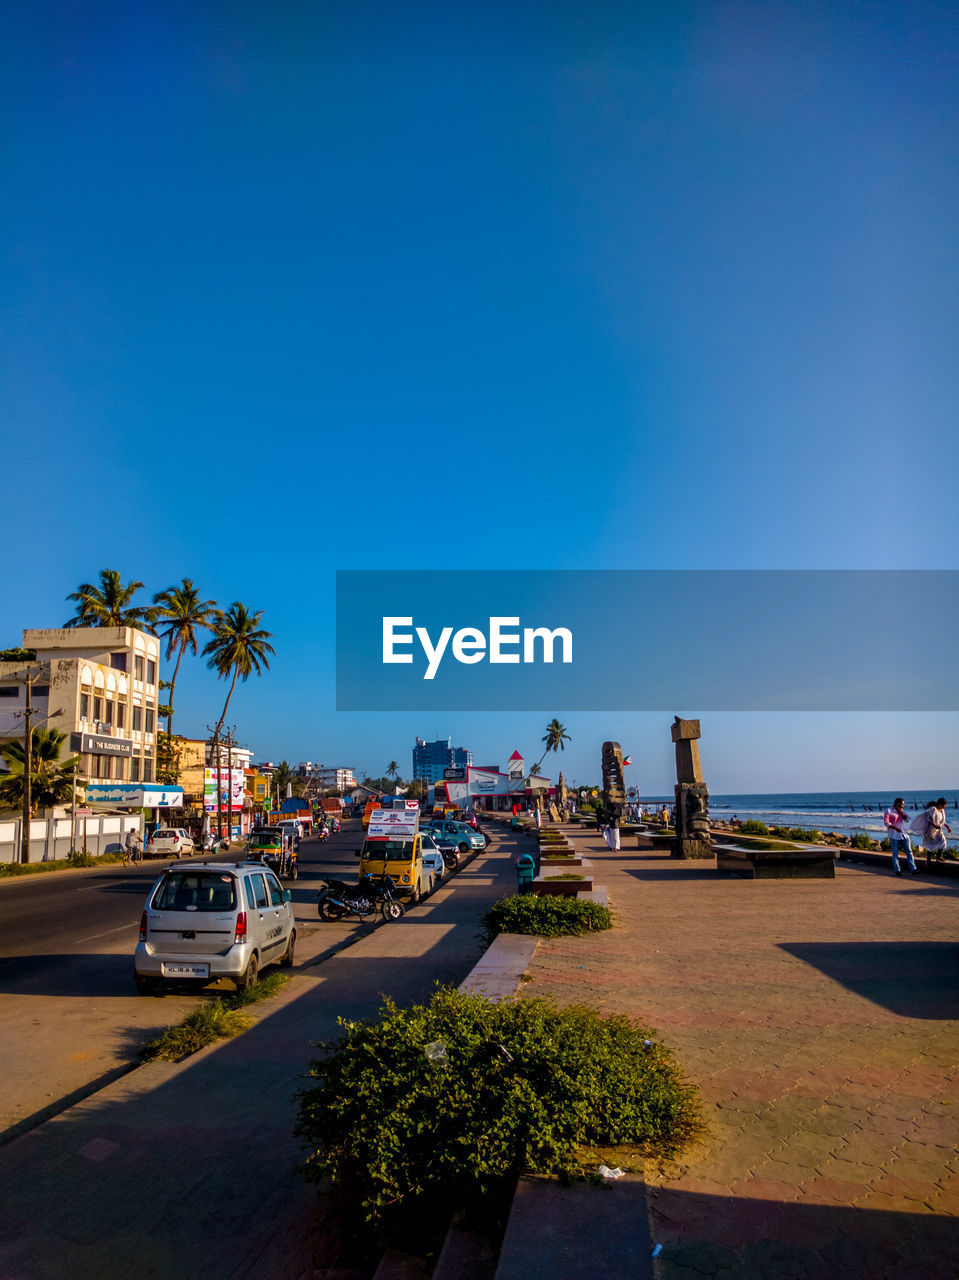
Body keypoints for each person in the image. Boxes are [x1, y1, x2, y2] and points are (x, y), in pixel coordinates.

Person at [883, 798, 917, 875]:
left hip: (903, 834)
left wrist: (900, 812)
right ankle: (897, 870)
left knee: (909, 851)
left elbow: (907, 819)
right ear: (897, 803)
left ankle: (913, 869)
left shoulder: (901, 811)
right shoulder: (888, 811)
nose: (903, 805)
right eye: (902, 804)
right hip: (894, 835)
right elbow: (886, 823)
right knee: (895, 853)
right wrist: (896, 828)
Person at [920, 798, 952, 864]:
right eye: (944, 805)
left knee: (943, 842)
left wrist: (947, 827)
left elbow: (942, 821)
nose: (945, 806)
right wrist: (934, 825)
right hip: (930, 831)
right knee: (931, 846)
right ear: (940, 804)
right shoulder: (933, 809)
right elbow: (927, 819)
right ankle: (928, 861)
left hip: (938, 830)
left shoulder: (942, 810)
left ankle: (938, 857)